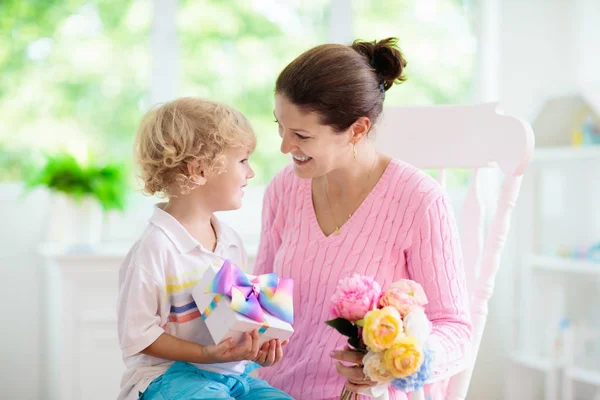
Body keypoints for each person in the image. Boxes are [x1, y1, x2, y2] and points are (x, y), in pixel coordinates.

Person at [253, 38, 473, 400]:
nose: (284, 147)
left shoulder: (420, 199)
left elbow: (456, 331)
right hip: (272, 391)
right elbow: (262, 303)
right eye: (280, 127)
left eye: (301, 135)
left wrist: (392, 363)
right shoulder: (283, 189)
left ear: (356, 130)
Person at [116, 98, 292, 400]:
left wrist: (257, 344)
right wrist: (205, 354)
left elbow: (234, 318)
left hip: (230, 372)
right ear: (199, 170)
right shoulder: (155, 249)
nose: (250, 173)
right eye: (242, 160)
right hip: (166, 377)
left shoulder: (231, 241)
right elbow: (138, 336)